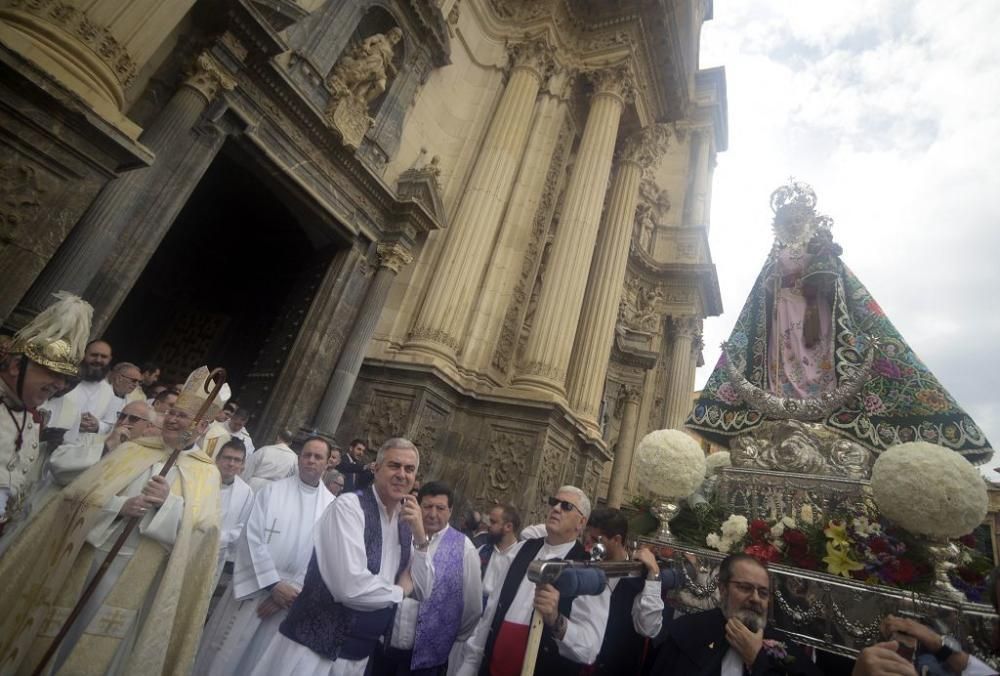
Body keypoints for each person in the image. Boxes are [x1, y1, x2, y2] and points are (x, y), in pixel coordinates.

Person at [688, 180, 992, 464]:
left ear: (807, 221)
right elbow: (762, 294)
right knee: (781, 356)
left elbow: (837, 286)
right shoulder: (775, 256)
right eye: (788, 220)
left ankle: (818, 402)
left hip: (814, 314)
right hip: (783, 313)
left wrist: (818, 275)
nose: (793, 225)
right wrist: (775, 286)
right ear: (779, 225)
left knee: (814, 357)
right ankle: (781, 401)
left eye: (798, 219)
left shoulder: (820, 249)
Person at [0, 365, 229, 676]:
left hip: (139, 576)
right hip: (88, 559)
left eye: (183, 416)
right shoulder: (134, 450)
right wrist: (119, 506)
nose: (173, 419)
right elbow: (77, 497)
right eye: (172, 412)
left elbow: (204, 535)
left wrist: (169, 506)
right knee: (60, 634)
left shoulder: (206, 474)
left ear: (202, 427)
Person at [249, 437, 431, 676]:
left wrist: (420, 538)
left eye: (409, 469)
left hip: (359, 655)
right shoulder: (349, 508)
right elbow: (348, 586)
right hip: (312, 650)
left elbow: (424, 589)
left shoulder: (407, 523)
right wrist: (400, 591)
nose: (401, 474)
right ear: (376, 468)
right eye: (394, 465)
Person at [194, 437, 335, 676]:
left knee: (260, 663)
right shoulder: (272, 491)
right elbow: (251, 537)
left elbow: (325, 559)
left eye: (318, 456)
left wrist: (289, 594)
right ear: (299, 458)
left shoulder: (332, 507)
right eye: (306, 455)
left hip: (291, 600)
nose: (310, 460)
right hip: (255, 588)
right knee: (224, 654)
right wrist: (272, 584)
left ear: (327, 463)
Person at [456, 486, 611, 676]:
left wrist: (555, 619)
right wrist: (469, 666)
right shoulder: (521, 550)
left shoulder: (588, 571)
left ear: (581, 522)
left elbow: (588, 649)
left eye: (566, 506)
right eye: (554, 503)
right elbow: (491, 613)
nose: (556, 508)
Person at [0, 292, 90, 541]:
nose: (60, 385)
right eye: (53, 373)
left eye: (66, 378)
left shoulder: (28, 415)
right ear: (17, 366)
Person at [651, 553, 820, 675]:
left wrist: (757, 658)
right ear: (723, 589)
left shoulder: (781, 645)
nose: (755, 598)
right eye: (745, 588)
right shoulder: (687, 631)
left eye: (763, 592)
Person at [380, 481, 483, 675]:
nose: (433, 514)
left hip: (427, 659)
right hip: (384, 646)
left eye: (440, 508)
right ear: (418, 506)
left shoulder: (463, 548)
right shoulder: (400, 532)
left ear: (450, 511)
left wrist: (447, 637)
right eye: (427, 506)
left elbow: (472, 606)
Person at [583, 507, 664, 675]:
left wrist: (654, 574)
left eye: (595, 538)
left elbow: (649, 629)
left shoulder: (639, 577)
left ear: (616, 539)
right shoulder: (584, 563)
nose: (588, 543)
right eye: (587, 535)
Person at [48, 399, 159, 487]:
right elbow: (57, 464)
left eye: (133, 419)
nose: (124, 422)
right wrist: (106, 447)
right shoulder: (90, 439)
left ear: (148, 426)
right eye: (122, 416)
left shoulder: (145, 457)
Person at [41, 338, 115, 441]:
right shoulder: (66, 381)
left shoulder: (109, 391)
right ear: (84, 355)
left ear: (110, 359)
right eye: (94, 355)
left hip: (80, 451)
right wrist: (75, 421)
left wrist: (97, 425)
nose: (98, 360)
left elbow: (109, 425)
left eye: (104, 357)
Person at [215, 439, 253, 582]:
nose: (231, 463)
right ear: (218, 459)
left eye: (237, 460)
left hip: (218, 552)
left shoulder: (246, 492)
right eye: (227, 458)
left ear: (242, 465)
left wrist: (220, 540)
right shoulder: (202, 480)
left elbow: (242, 526)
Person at [479, 503, 521, 603]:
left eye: (493, 522)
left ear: (508, 527)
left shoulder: (520, 558)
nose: (488, 525)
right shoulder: (481, 550)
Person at [105, 361, 143, 430]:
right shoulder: (99, 392)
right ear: (119, 379)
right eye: (134, 380)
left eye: (139, 382)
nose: (136, 385)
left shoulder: (131, 404)